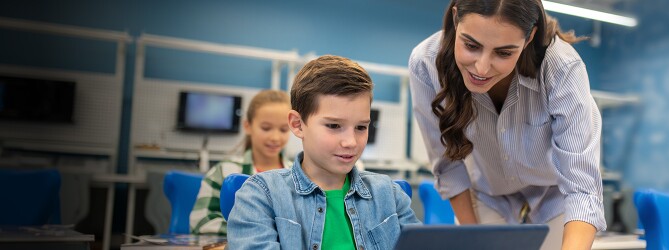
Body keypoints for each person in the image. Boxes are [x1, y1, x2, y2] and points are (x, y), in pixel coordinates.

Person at [409, 0, 605, 249]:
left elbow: (582, 187)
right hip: (488, 195)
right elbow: (448, 167)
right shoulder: (425, 63)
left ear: (529, 37)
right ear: (456, 19)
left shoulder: (562, 68)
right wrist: (474, 240)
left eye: (503, 53)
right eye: (471, 46)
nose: (481, 68)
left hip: (555, 196)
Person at [228, 55, 420, 250]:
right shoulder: (261, 194)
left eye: (361, 127)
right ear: (298, 124)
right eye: (334, 126)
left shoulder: (389, 194)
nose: (351, 142)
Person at [190, 89, 292, 235]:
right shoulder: (224, 171)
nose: (275, 137)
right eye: (266, 128)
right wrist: (257, 231)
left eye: (283, 130)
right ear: (247, 126)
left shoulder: (299, 175)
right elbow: (201, 221)